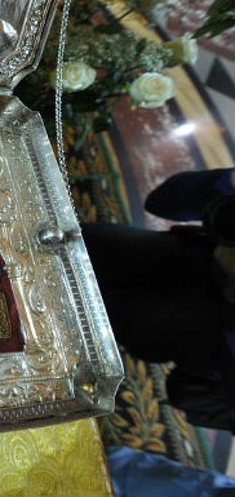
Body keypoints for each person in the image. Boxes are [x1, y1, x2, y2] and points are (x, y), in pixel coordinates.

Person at [82, 168, 235, 432]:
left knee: (112, 315)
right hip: (205, 260)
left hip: (222, 335)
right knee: (79, 244)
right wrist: (228, 183)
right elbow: (161, 202)